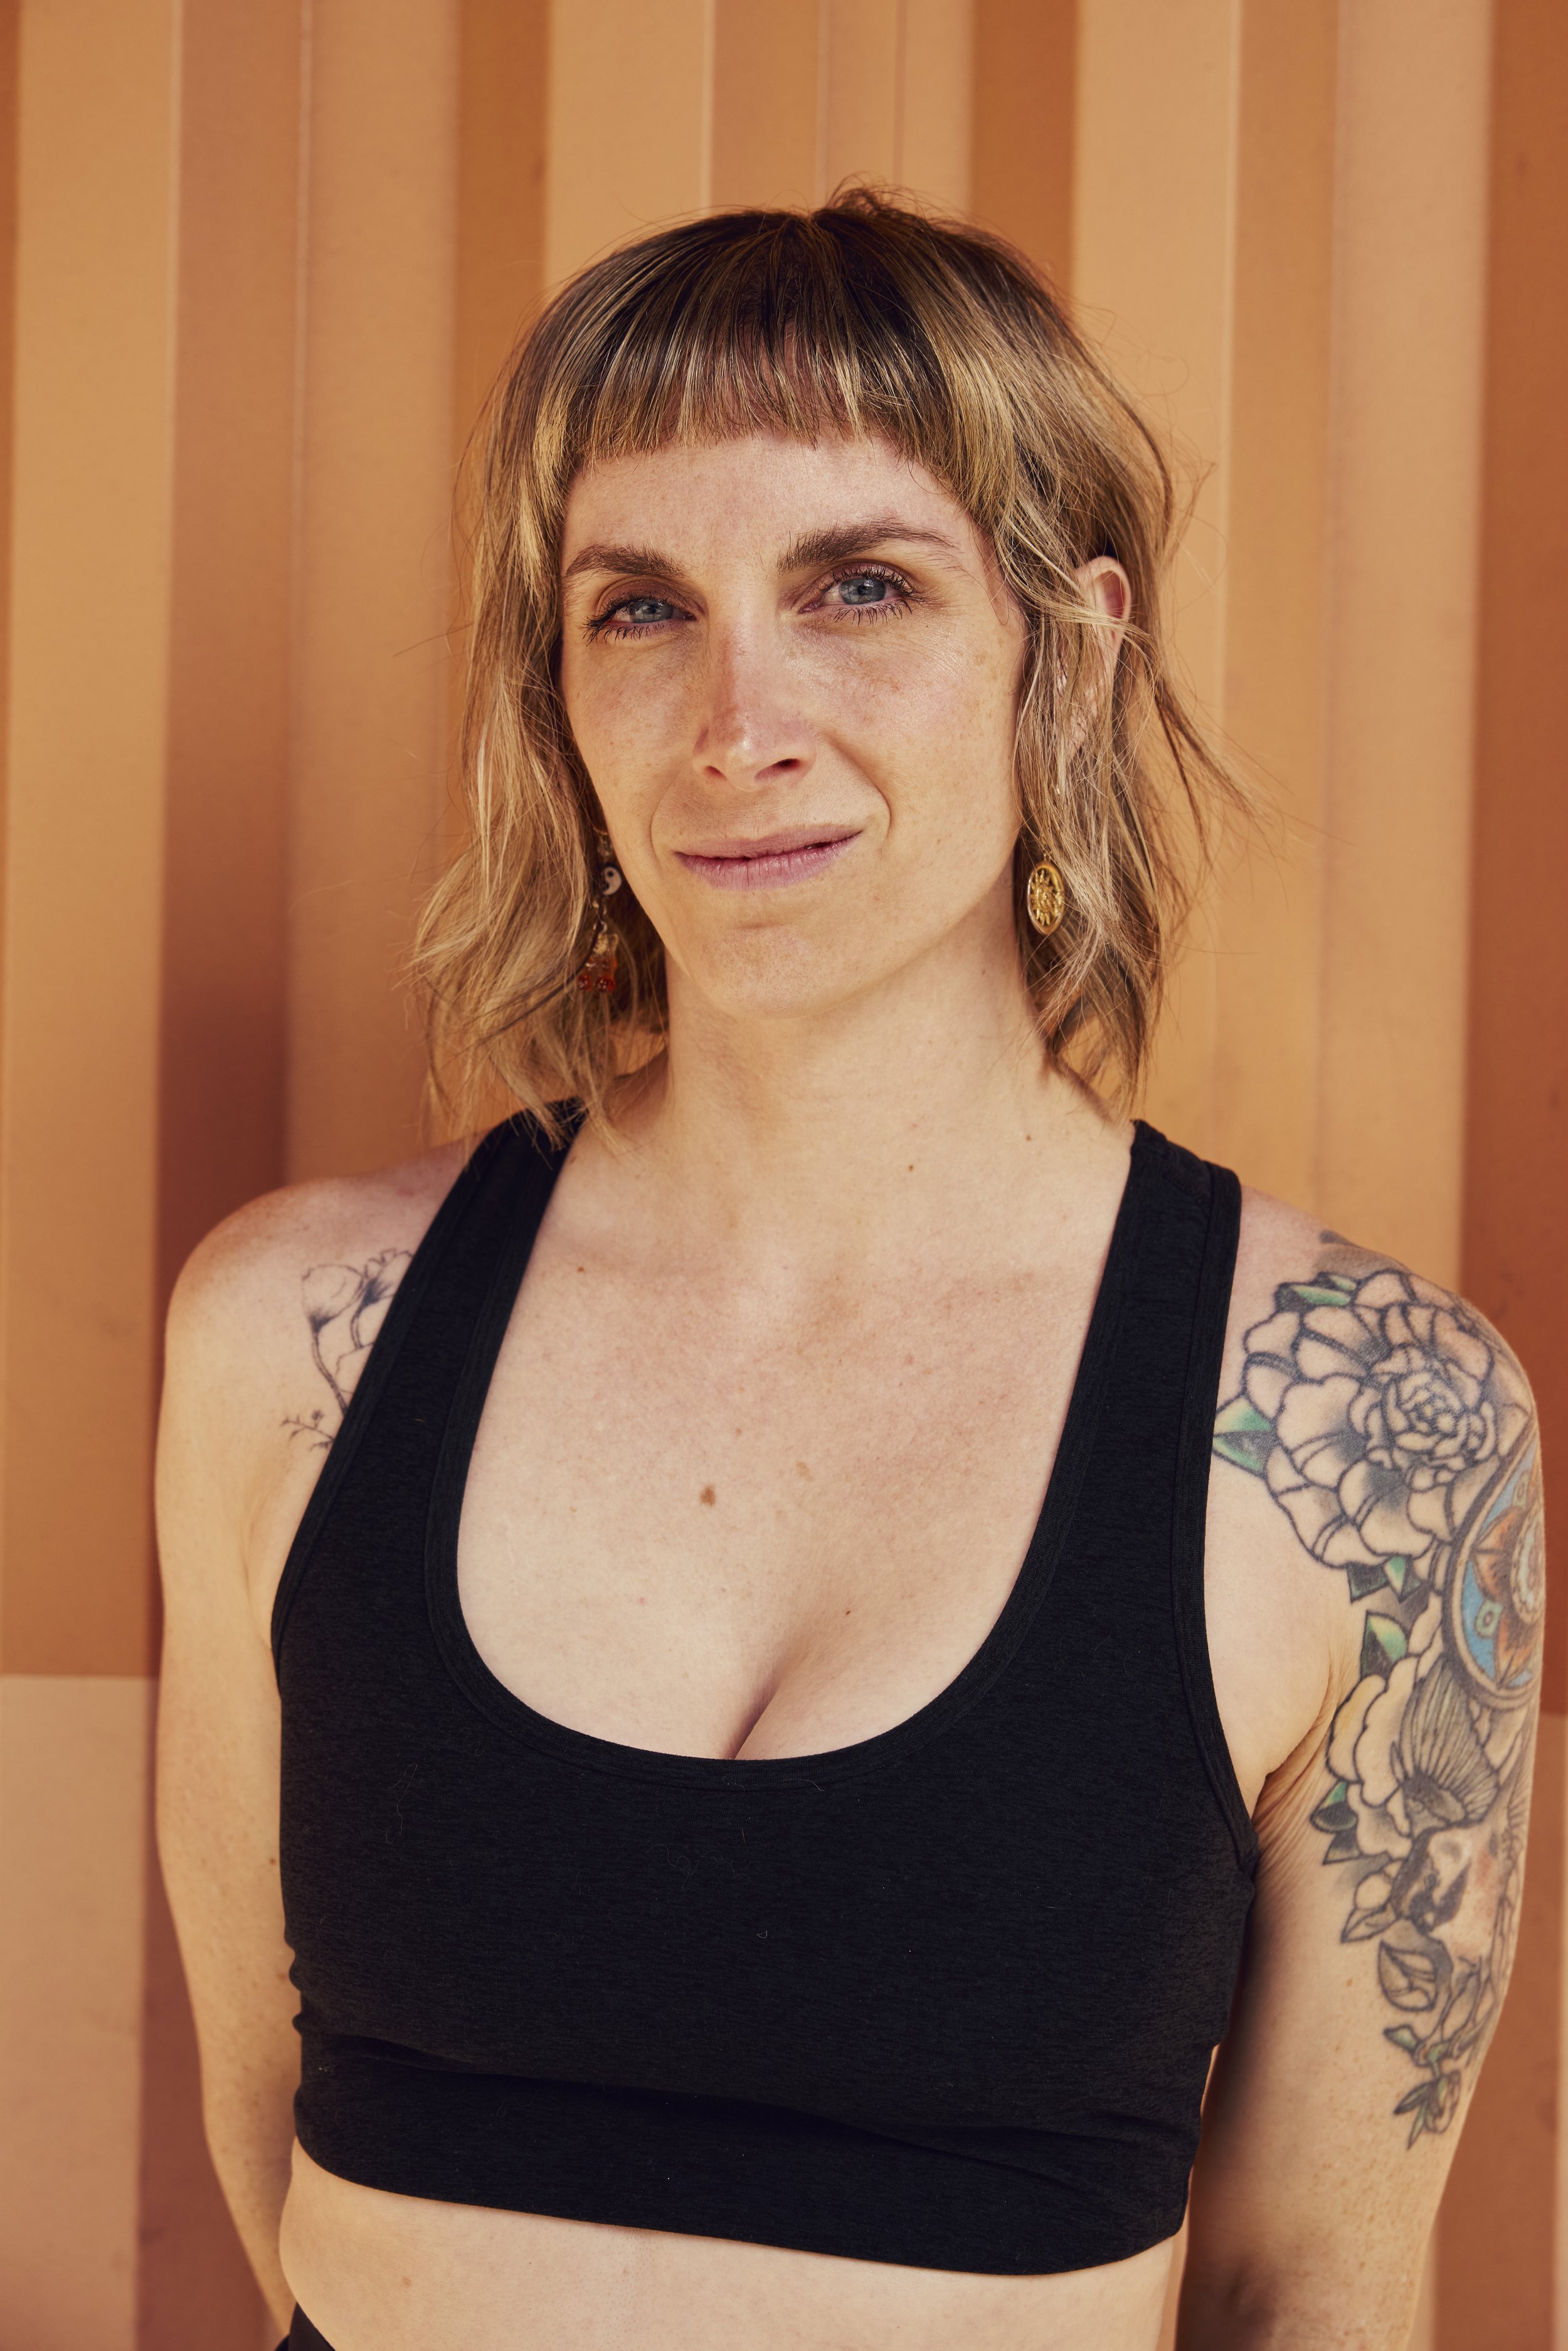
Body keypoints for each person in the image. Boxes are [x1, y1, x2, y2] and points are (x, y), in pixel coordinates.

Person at [156, 194, 1543, 2351]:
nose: (735, 721)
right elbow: (274, 2128)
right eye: (640, 609)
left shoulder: (1368, 1424)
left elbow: (1316, 2291)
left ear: (1064, 652)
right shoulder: (291, 1340)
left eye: (858, 589)